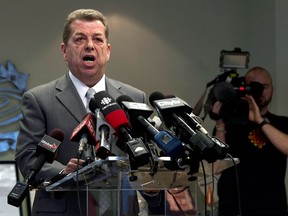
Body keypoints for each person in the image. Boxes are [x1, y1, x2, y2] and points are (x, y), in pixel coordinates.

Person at [15, 9, 147, 216]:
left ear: (108, 50)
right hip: (63, 209)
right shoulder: (38, 99)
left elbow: (145, 159)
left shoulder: (133, 98)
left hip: (120, 209)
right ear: (64, 51)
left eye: (97, 39)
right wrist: (62, 171)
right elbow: (27, 156)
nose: (89, 45)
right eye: (79, 39)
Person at [212, 66, 288, 216]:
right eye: (254, 87)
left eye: (264, 87)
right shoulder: (230, 123)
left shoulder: (281, 123)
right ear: (244, 88)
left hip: (273, 209)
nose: (260, 92)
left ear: (272, 89)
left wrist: (259, 120)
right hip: (233, 209)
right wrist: (220, 123)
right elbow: (216, 167)